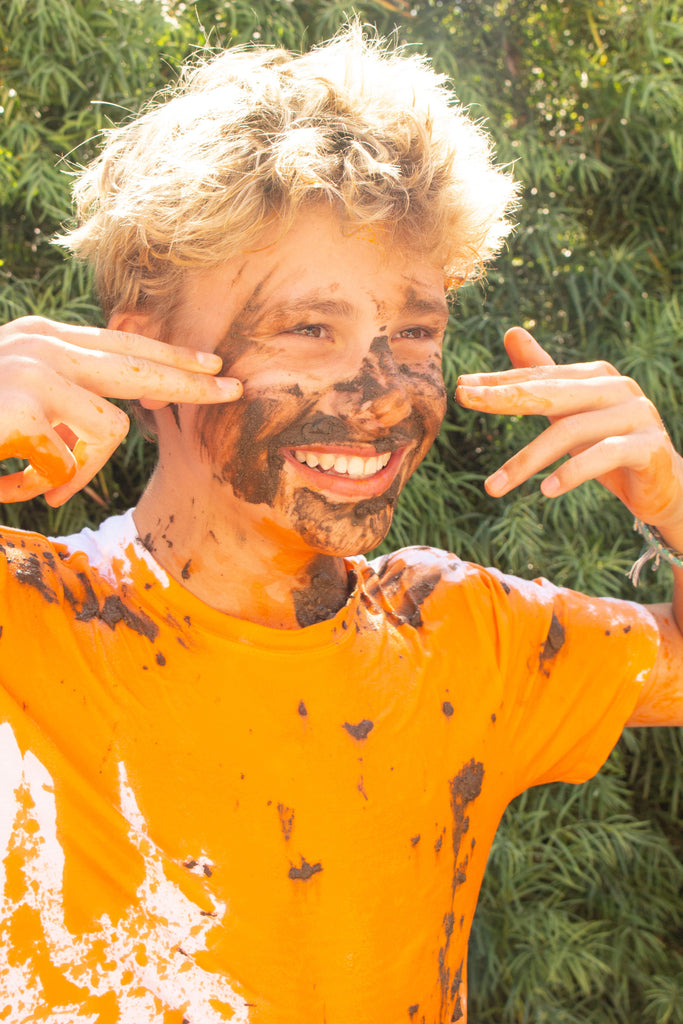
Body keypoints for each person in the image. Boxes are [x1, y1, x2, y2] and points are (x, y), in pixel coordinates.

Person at [0, 26, 681, 1024]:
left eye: (410, 331)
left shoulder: (462, 639)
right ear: (139, 349)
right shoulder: (28, 622)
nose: (380, 393)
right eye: (307, 328)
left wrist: (670, 497)